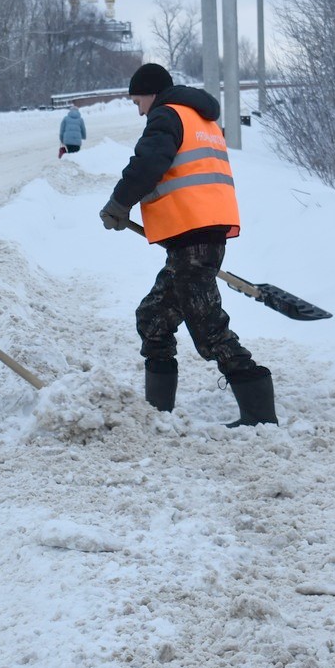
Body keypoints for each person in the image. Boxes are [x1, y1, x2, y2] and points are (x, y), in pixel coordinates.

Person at [98, 63, 277, 427]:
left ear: (151, 93)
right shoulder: (201, 118)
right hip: (198, 233)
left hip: (195, 234)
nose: (138, 110)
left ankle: (259, 414)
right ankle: (157, 413)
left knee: (208, 326)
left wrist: (119, 203)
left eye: (137, 101)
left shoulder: (166, 115)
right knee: (153, 318)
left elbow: (149, 162)